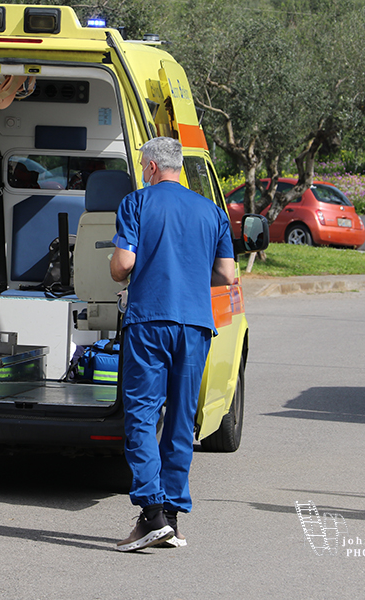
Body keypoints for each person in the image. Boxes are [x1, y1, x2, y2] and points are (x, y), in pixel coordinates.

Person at [110, 137, 236, 552]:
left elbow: (123, 265)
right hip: (196, 325)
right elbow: (227, 274)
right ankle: (172, 519)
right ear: (178, 167)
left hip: (150, 321)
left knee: (143, 416)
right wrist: (191, 274)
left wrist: (117, 267)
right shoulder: (212, 212)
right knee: (182, 419)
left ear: (150, 166)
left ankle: (151, 514)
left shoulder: (137, 203)